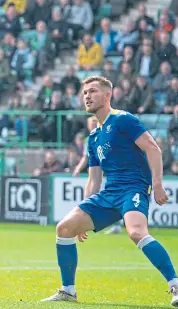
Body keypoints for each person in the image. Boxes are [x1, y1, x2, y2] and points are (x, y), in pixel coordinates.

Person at [41, 76, 178, 306]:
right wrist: (84, 211)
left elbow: (153, 148)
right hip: (108, 194)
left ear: (107, 96)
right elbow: (94, 179)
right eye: (85, 93)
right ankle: (68, 291)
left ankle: (175, 284)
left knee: (135, 232)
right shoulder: (93, 137)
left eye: (92, 91)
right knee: (64, 228)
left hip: (133, 188)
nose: (87, 96)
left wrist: (157, 185)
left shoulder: (124, 119)